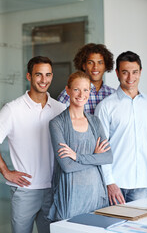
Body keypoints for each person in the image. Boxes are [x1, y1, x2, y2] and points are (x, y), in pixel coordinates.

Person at [0, 56, 65, 233]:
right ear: (29, 76)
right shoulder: (12, 110)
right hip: (25, 191)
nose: (44, 80)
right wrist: (6, 172)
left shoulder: (60, 109)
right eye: (39, 75)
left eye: (48, 75)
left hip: (53, 190)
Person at [95, 51, 147, 205]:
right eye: (125, 72)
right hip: (116, 184)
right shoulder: (106, 106)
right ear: (117, 73)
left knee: (140, 228)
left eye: (134, 72)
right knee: (113, 228)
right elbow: (100, 148)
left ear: (140, 72)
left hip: (142, 184)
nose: (130, 78)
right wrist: (109, 182)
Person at [48, 71, 113, 221]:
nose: (81, 94)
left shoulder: (95, 122)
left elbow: (108, 157)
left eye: (85, 90)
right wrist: (95, 158)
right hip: (70, 197)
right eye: (76, 89)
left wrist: (77, 157)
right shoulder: (56, 124)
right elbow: (67, 166)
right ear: (68, 90)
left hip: (96, 194)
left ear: (89, 92)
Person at [57, 43, 115, 114]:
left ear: (105, 66)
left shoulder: (112, 94)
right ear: (84, 66)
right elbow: (60, 122)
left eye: (100, 63)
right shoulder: (68, 94)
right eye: (90, 63)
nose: (95, 67)